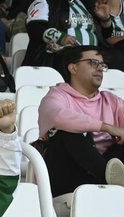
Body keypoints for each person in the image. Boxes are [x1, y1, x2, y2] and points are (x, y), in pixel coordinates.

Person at [37, 45, 124, 194]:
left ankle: (110, 178)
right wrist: (106, 127)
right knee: (66, 132)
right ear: (73, 68)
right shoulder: (56, 96)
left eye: (102, 65)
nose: (100, 69)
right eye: (93, 63)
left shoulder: (112, 101)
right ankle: (108, 177)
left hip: (103, 176)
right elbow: (58, 117)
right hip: (67, 178)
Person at [27, 0, 100, 69]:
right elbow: (35, 27)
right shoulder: (46, 0)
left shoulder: (82, 2)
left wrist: (105, 19)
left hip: (93, 58)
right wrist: (60, 37)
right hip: (60, 58)